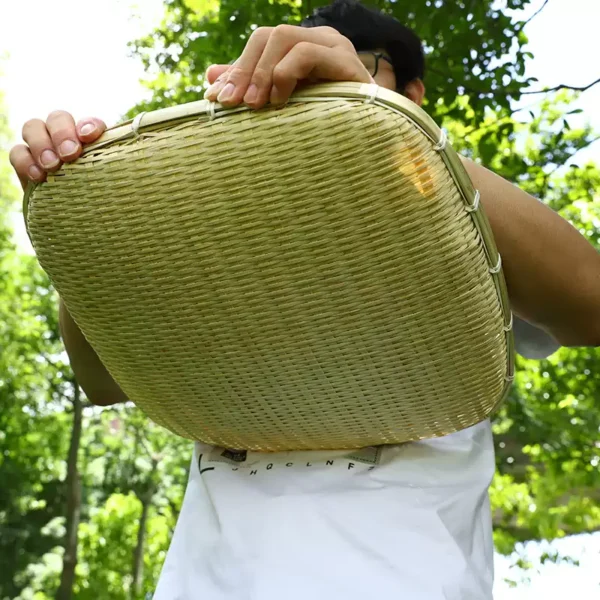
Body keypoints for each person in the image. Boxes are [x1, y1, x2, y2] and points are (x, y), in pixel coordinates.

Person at [9, 1, 600, 598]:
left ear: (413, 92)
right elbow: (104, 383)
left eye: (345, 62)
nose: (297, 79)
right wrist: (84, 225)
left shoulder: (453, 220)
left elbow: (591, 302)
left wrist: (373, 118)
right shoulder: (211, 225)